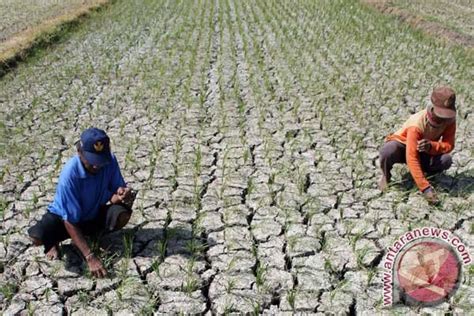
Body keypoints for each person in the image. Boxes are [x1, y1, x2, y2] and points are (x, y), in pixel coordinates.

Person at [28, 127, 134, 278]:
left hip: (93, 212)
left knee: (122, 214)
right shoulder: (69, 176)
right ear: (79, 152)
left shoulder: (109, 161)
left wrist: (123, 193)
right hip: (64, 219)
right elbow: (70, 221)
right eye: (92, 161)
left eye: (100, 160)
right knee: (37, 238)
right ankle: (56, 242)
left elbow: (116, 192)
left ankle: (88, 237)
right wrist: (90, 257)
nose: (97, 166)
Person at [378, 86, 457, 205]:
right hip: (404, 149)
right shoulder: (416, 124)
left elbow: (449, 145)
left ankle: (428, 174)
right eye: (441, 115)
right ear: (433, 108)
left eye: (446, 115)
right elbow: (411, 158)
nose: (443, 119)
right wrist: (426, 189)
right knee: (387, 151)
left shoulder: (449, 121)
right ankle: (386, 175)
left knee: (446, 160)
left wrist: (431, 146)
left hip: (425, 151)